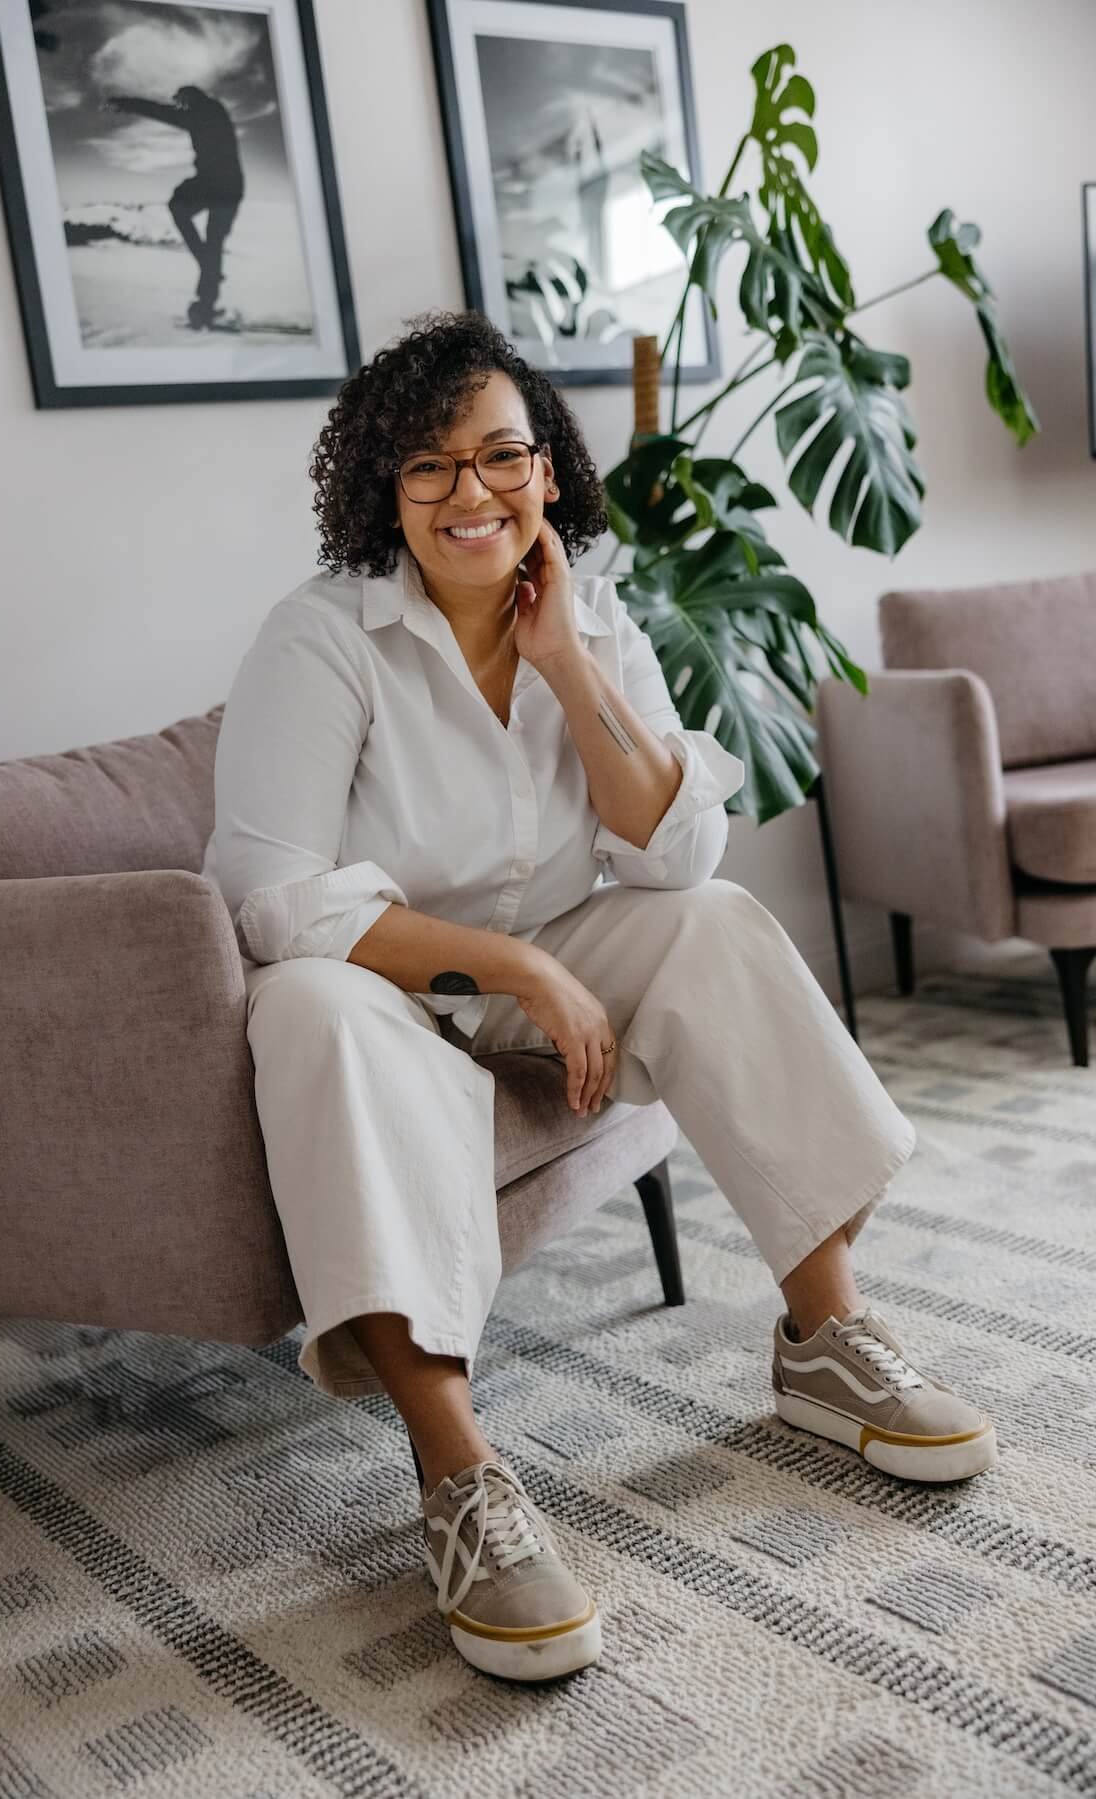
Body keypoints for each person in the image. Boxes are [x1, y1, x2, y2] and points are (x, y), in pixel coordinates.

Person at [201, 308, 996, 1686]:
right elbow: (276, 897)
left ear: (548, 472)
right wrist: (521, 967)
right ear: (383, 488)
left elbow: (676, 844)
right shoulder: (320, 638)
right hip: (393, 981)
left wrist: (568, 658)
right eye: (431, 467)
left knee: (714, 921)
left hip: (570, 935)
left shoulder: (595, 608)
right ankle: (460, 1476)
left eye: (500, 456)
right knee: (309, 1005)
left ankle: (825, 1334)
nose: (472, 493)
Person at [104, 85, 244, 327]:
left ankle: (206, 276)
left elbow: (160, 111)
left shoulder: (204, 111)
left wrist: (125, 102)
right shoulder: (208, 109)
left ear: (189, 100)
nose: (178, 107)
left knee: (180, 208)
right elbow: (165, 111)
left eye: (180, 102)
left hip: (217, 183)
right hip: (229, 186)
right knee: (212, 241)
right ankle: (206, 303)